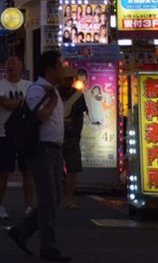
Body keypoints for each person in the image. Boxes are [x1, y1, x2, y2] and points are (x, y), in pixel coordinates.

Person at [7, 51, 71, 262]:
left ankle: (22, 231)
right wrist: (53, 100)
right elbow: (41, 116)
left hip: (54, 150)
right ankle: (48, 247)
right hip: (42, 150)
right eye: (60, 66)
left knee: (55, 199)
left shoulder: (51, 90)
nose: (63, 70)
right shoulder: (38, 90)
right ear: (50, 70)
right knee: (49, 199)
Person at [0, 56, 35, 220]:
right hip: (6, 133)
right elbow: (3, 103)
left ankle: (29, 206)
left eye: (15, 63)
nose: (11, 66)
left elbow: (32, 105)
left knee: (27, 172)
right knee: (4, 171)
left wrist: (17, 104)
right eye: (8, 63)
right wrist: (23, 104)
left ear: (21, 67)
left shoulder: (29, 85)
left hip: (25, 135)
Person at [59, 66, 87, 210]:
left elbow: (80, 118)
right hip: (56, 137)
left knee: (72, 170)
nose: (68, 81)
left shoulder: (78, 95)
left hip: (71, 137)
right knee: (55, 170)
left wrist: (76, 133)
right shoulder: (54, 93)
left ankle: (69, 199)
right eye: (66, 78)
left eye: (70, 78)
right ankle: (59, 198)